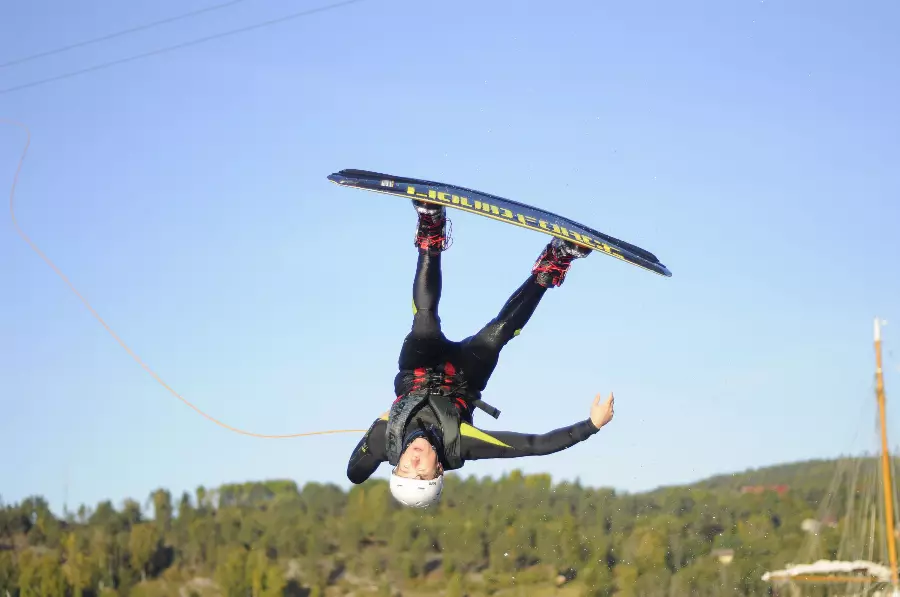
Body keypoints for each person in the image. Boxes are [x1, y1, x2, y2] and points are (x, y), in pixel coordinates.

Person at [346, 199, 616, 507]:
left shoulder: (383, 441)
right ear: (439, 470)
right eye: (421, 474)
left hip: (418, 371)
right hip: (463, 377)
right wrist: (592, 426)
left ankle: (431, 230)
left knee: (425, 323)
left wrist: (373, 435)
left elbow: (354, 473)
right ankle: (555, 260)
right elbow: (534, 445)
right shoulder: (462, 446)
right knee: (498, 333)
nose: (414, 462)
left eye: (405, 469)